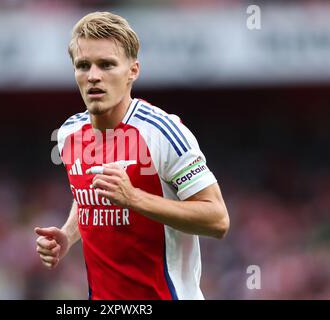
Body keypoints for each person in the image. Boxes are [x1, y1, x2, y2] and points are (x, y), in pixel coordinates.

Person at [35, 11, 229, 300]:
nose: (94, 76)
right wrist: (68, 234)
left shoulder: (162, 132)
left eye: (107, 65)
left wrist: (134, 198)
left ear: (133, 71)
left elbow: (217, 220)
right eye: (83, 65)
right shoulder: (68, 133)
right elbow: (90, 194)